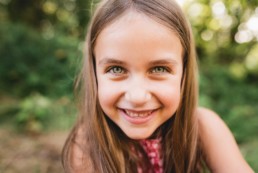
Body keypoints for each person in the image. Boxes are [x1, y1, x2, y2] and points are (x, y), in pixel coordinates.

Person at [62, 0, 254, 172]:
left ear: (184, 73)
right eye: (116, 69)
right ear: (94, 73)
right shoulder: (86, 146)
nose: (137, 96)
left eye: (159, 68)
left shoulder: (204, 128)